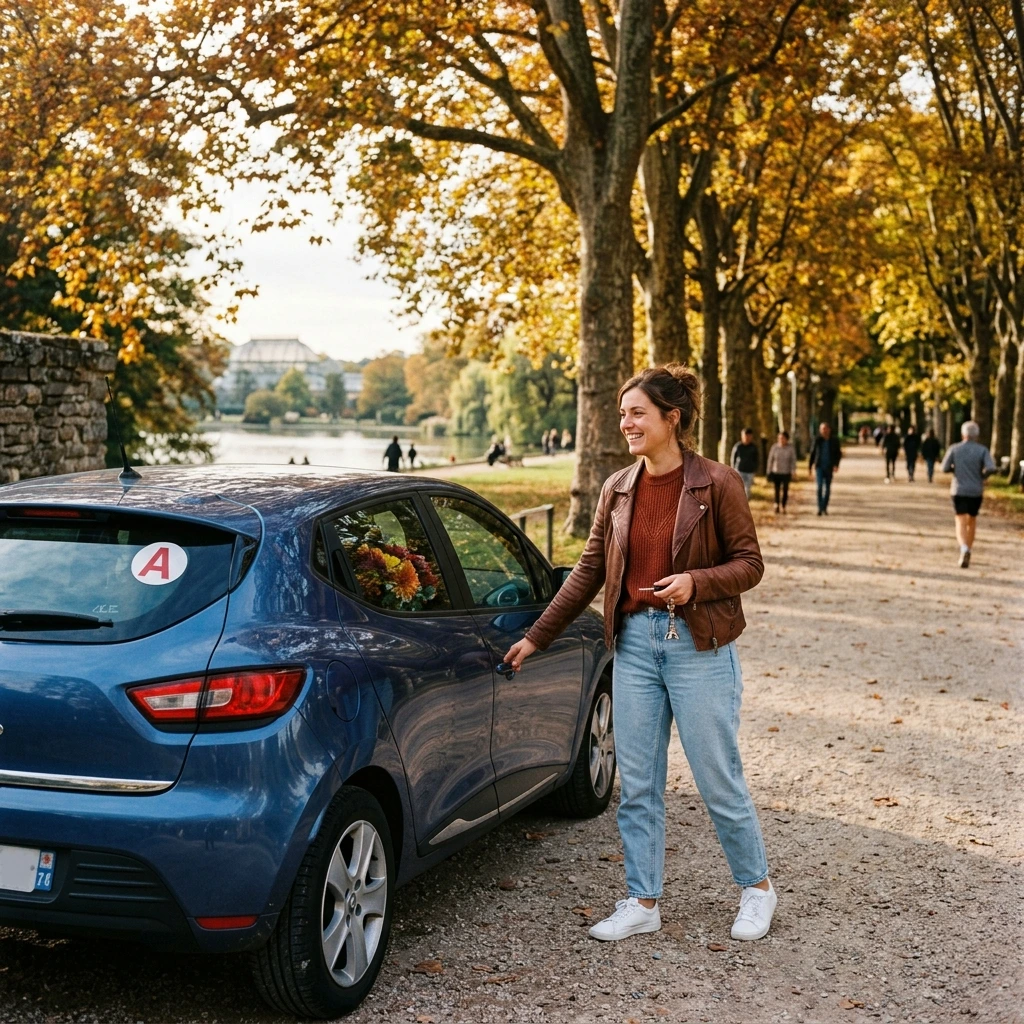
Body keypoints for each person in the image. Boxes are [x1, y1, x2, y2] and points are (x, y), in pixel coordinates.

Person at [502, 364, 775, 945]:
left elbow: (749, 564)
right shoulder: (617, 488)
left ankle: (756, 890)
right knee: (640, 784)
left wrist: (696, 583)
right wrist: (537, 636)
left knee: (716, 777)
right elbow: (589, 569)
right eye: (622, 413)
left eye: (637, 413)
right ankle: (642, 900)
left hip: (698, 646)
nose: (625, 423)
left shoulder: (717, 483)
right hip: (633, 649)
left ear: (671, 419)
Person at [941, 420, 996, 568]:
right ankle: (969, 549)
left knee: (960, 519)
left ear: (963, 434)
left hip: (958, 489)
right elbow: (991, 467)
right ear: (976, 435)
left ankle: (964, 548)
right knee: (972, 519)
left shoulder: (954, 449)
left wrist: (955, 470)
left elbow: (944, 467)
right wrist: (981, 475)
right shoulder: (982, 450)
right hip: (976, 490)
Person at [808, 422, 842, 515]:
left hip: (829, 467)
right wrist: (810, 467)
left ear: (829, 429)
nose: (824, 431)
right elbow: (812, 453)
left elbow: (838, 454)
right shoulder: (817, 440)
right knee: (819, 487)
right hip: (819, 466)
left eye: (825, 428)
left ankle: (824, 507)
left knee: (827, 488)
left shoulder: (834, 440)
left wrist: (836, 465)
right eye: (822, 429)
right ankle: (820, 507)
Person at [766, 431, 797, 513]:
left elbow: (793, 460)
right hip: (776, 471)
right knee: (776, 489)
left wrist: (793, 470)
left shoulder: (790, 448)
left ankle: (783, 505)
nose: (781, 440)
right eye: (779, 438)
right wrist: (768, 470)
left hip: (786, 472)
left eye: (783, 438)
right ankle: (776, 504)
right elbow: (770, 460)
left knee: (785, 490)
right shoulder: (774, 447)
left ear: (787, 439)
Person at [730, 428, 759, 500]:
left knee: (747, 489)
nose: (747, 438)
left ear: (751, 436)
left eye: (749, 436)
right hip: (739, 470)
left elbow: (756, 459)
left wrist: (755, 468)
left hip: (750, 471)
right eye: (745, 436)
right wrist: (733, 469)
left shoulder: (754, 447)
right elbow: (733, 458)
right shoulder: (738, 446)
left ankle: (745, 504)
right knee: (738, 488)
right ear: (742, 436)